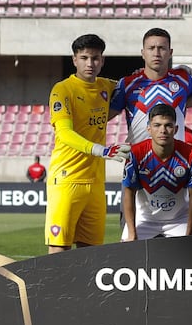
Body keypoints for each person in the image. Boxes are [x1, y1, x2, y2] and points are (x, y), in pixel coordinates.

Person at [45, 34, 130, 254]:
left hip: (95, 182)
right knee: (59, 250)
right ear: (74, 60)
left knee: (91, 253)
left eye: (95, 58)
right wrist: (101, 150)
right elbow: (64, 133)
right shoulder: (62, 89)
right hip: (67, 179)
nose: (89, 63)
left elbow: (136, 84)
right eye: (84, 58)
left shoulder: (107, 86)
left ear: (102, 61)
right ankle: (54, 290)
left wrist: (180, 71)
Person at [109, 27, 192, 146]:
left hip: (175, 162)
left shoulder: (184, 79)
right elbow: (104, 117)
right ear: (143, 53)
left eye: (161, 48)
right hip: (140, 162)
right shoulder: (127, 84)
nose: (156, 53)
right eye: (151, 48)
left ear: (170, 53)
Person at [121, 104, 192, 240]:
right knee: (128, 254)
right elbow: (129, 193)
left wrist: (189, 233)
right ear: (149, 128)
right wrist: (131, 232)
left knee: (191, 256)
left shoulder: (191, 154)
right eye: (157, 125)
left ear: (176, 129)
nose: (163, 130)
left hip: (178, 219)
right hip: (144, 219)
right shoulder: (136, 153)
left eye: (168, 125)